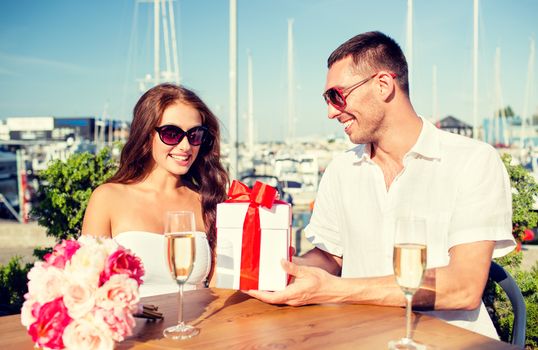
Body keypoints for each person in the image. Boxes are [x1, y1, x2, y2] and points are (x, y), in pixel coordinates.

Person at [247, 31, 515, 339]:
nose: (331, 112)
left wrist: (336, 290)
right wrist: (282, 266)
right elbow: (331, 256)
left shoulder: (473, 161)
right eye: (327, 100)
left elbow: (463, 288)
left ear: (383, 85)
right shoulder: (341, 169)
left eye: (336, 95)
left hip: (451, 341)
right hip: (359, 339)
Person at [82, 83, 229, 297]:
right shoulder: (108, 198)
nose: (186, 146)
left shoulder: (207, 201)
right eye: (171, 133)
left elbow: (219, 291)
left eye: (195, 134)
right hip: (133, 329)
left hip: (194, 329)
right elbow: (88, 287)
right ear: (146, 135)